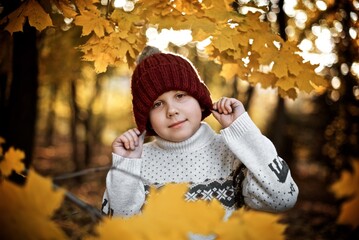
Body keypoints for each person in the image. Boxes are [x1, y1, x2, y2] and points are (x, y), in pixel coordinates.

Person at [102, 46, 298, 221]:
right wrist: (125, 167)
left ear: (199, 98)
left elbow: (282, 199)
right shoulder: (138, 162)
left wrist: (243, 132)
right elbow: (117, 228)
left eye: (180, 95)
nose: (171, 110)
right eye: (157, 104)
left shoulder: (231, 152)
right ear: (146, 116)